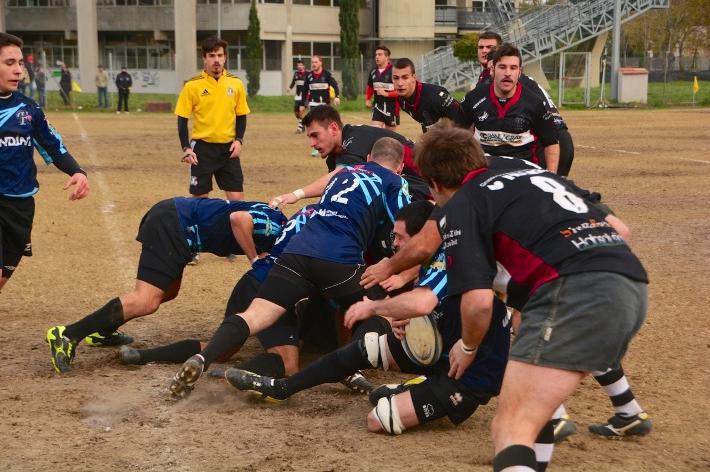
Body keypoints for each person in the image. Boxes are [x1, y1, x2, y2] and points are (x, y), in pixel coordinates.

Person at [364, 123, 649, 471]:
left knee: (511, 426)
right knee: (537, 416)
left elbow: (479, 301)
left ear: (435, 185)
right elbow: (622, 230)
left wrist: (467, 347)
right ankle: (625, 409)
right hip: (630, 281)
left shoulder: (462, 203)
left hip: (574, 290)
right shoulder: (532, 174)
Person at [226, 200, 511, 436]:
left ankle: (424, 387)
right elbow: (435, 307)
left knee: (379, 418)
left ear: (422, 237)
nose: (395, 244)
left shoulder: (446, 258)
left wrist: (372, 308)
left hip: (471, 373)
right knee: (368, 346)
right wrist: (410, 320)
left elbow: (425, 302)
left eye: (400, 238)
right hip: (443, 347)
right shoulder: (428, 259)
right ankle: (283, 388)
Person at [169, 137, 412, 399]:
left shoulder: (344, 173)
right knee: (383, 311)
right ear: (399, 167)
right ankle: (350, 367)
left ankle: (202, 358)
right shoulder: (395, 181)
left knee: (255, 315)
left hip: (296, 251)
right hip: (339, 259)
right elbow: (408, 227)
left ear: (367, 159)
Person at [45, 197, 287, 374]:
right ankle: (66, 335)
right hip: (175, 225)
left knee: (168, 292)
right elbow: (238, 219)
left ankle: (103, 330)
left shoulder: (280, 226)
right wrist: (254, 259)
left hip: (177, 222)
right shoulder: (277, 225)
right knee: (146, 300)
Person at [0, 33, 89, 293]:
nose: (18, 70)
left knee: (3, 276)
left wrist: (77, 172)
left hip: (20, 206)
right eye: (9, 63)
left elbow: (54, 145)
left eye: (20, 63)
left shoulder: (29, 110)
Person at [269, 105, 429, 209]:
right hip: (398, 190)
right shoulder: (334, 157)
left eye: (315, 135)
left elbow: (339, 176)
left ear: (333, 128)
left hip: (421, 188)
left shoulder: (356, 136)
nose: (312, 143)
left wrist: (295, 195)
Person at [475, 32, 575, 177]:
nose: (485, 51)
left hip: (550, 142)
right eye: (481, 47)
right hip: (553, 137)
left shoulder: (503, 79)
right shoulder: (495, 77)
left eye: (490, 48)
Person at [457, 43, 560, 174]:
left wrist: (551, 176)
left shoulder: (534, 103)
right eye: (502, 67)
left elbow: (551, 143)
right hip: (484, 172)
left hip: (522, 174)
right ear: (492, 70)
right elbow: (457, 134)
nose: (507, 73)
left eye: (513, 68)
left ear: (519, 72)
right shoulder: (473, 98)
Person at [175, 36, 250, 201]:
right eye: (212, 55)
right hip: (202, 150)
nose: (216, 60)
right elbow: (182, 119)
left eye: (220, 55)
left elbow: (241, 115)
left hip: (228, 150)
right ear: (204, 58)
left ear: (225, 58)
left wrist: (239, 140)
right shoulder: (192, 86)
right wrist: (186, 148)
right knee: (199, 202)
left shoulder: (236, 84)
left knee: (238, 202)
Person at [392, 58, 463, 133]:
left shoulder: (435, 96)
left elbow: (462, 119)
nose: (400, 83)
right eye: (396, 78)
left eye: (405, 77)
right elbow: (427, 122)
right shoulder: (401, 99)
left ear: (414, 77)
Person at [365, 45, 399, 130]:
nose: (377, 57)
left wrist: (387, 94)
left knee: (390, 137)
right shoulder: (373, 71)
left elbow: (400, 92)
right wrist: (368, 99)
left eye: (380, 54)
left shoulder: (395, 71)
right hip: (377, 106)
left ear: (387, 57)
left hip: (392, 108)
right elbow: (370, 87)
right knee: (375, 131)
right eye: (376, 54)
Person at [288, 60, 308, 133]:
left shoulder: (307, 74)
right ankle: (302, 124)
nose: (299, 66)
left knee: (301, 111)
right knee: (296, 113)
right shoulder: (296, 73)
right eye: (298, 65)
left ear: (304, 66)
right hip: (297, 96)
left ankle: (299, 128)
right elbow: (293, 82)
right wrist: (289, 88)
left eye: (300, 65)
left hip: (305, 96)